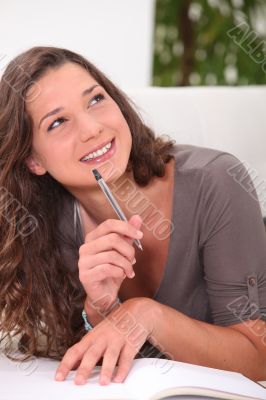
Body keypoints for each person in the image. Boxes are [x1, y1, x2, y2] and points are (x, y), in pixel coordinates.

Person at [0, 46, 266, 387]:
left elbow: (258, 357)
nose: (92, 129)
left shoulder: (216, 181)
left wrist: (145, 313)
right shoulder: (49, 225)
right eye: (58, 122)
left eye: (95, 100)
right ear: (34, 161)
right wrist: (100, 306)